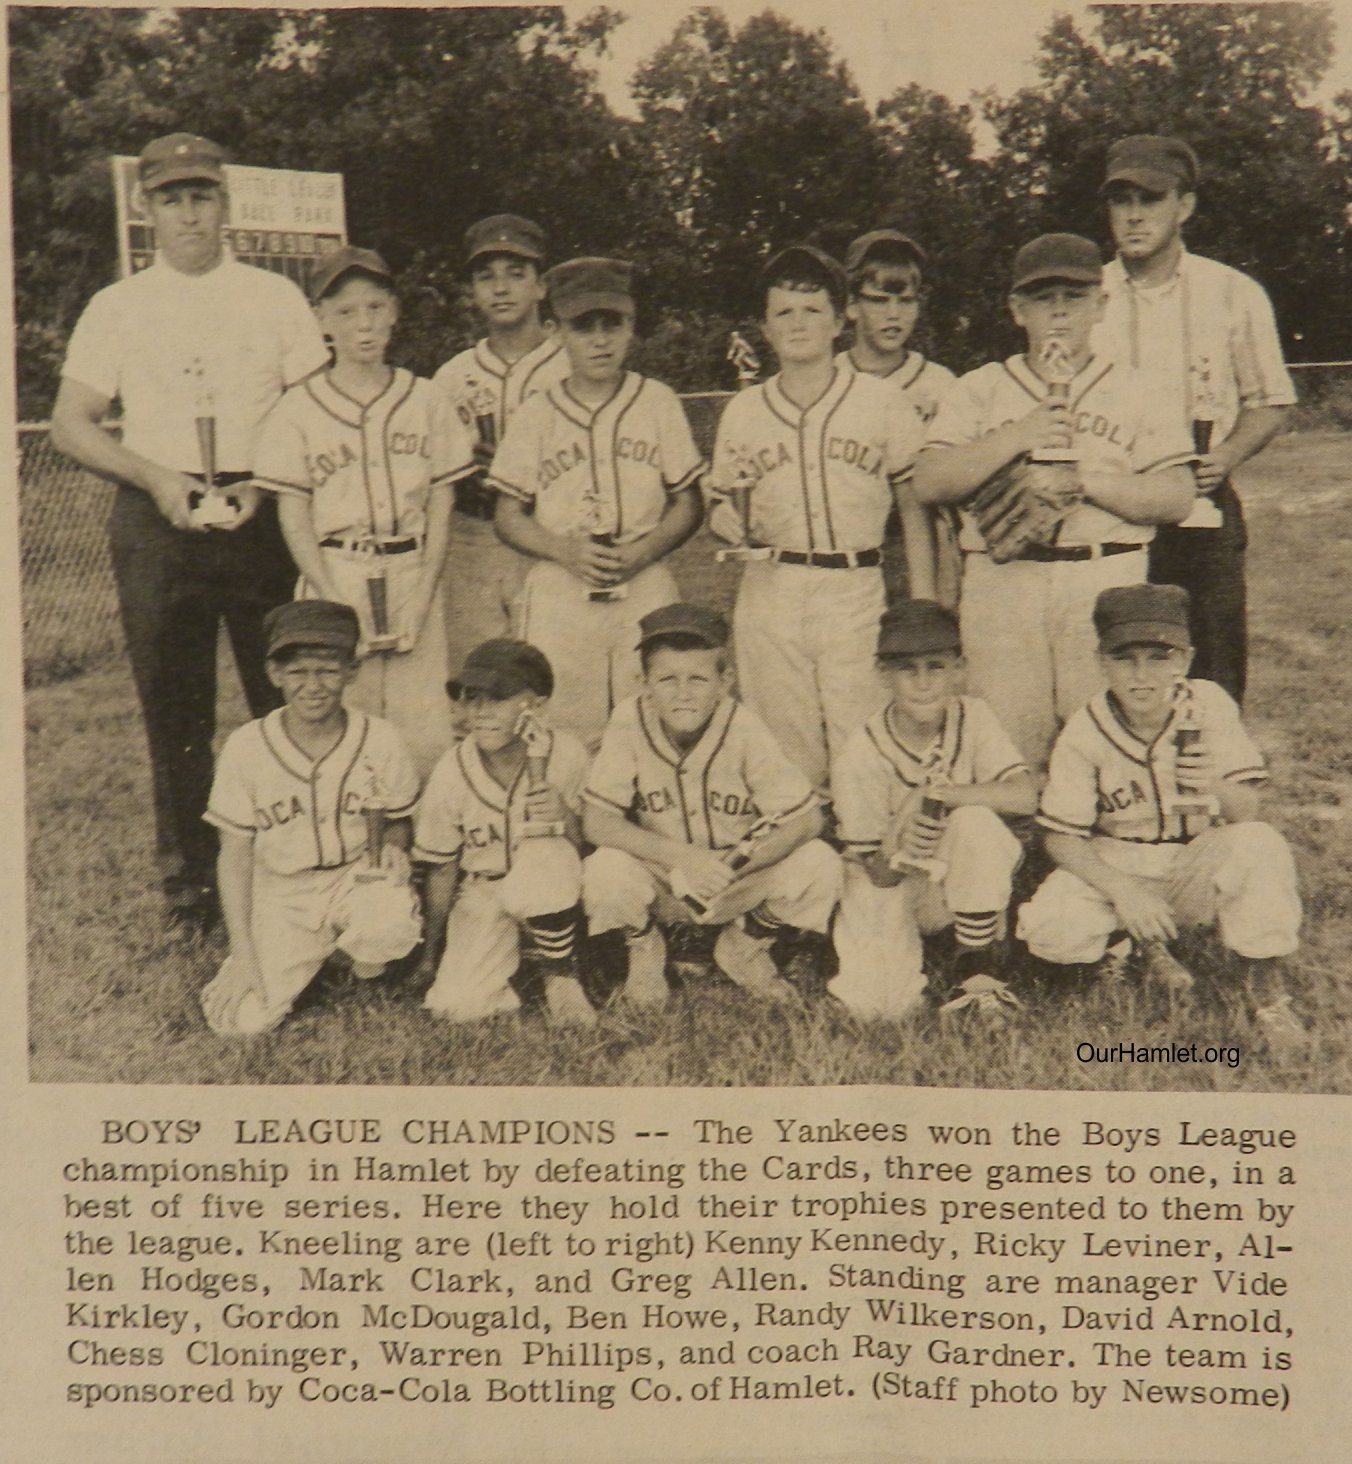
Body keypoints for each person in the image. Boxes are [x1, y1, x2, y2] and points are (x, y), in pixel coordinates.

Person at [51, 133, 330, 931]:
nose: (189, 213)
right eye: (171, 197)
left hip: (261, 512)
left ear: (226, 204)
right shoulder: (119, 306)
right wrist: (157, 478)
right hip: (159, 515)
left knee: (286, 693)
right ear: (148, 209)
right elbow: (72, 424)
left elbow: (316, 409)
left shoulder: (273, 297)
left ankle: (299, 861)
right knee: (175, 710)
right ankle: (192, 889)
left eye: (201, 195)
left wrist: (266, 483)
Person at [913, 233, 1195, 773]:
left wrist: (1083, 480)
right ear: (1018, 310)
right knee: (1007, 745)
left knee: (1108, 744)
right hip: (1004, 581)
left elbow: (1177, 495)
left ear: (1101, 305)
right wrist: (1020, 434)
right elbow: (929, 481)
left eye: (1074, 297)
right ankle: (1018, 852)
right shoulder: (981, 388)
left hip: (1105, 576)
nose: (1059, 313)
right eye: (1044, 299)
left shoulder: (1138, 389)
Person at [1016, 584, 1304, 1051]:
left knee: (1260, 842)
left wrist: (1213, 782)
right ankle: (1124, 947)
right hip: (1118, 861)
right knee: (1052, 930)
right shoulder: (1085, 729)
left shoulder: (1207, 704)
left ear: (1184, 660)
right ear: (1101, 662)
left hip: (1195, 859)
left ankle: (1266, 989)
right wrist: (1123, 891)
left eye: (1159, 657)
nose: (1142, 675)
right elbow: (1061, 838)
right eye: (1125, 658)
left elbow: (1246, 810)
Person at [706, 244, 929, 797]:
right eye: (783, 313)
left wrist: (923, 605)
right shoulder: (744, 408)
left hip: (853, 586)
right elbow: (720, 503)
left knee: (863, 741)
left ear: (839, 320)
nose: (798, 324)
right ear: (764, 326)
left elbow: (914, 506)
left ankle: (868, 866)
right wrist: (723, 521)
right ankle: (806, 870)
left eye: (812, 311)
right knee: (784, 751)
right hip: (771, 588)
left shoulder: (880, 401)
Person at [252, 245, 475, 777]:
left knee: (421, 728)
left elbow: (443, 503)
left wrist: (423, 594)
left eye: (375, 307)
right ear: (321, 320)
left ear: (395, 311)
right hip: (336, 568)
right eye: (346, 312)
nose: (364, 324)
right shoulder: (298, 408)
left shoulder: (425, 399)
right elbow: (294, 515)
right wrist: (330, 598)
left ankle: (422, 849)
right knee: (338, 722)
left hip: (409, 568)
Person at [1095, 135, 1296, 705]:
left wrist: (1226, 455)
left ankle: (1212, 786)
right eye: (1120, 200)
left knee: (1208, 667)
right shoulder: (1089, 294)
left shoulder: (1232, 293)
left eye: (1150, 199)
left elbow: (1272, 399)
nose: (1134, 215)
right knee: (1115, 662)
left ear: (1184, 206)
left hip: (1201, 504)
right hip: (1112, 504)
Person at [489, 257, 704, 748]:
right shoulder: (537, 412)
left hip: (643, 575)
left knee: (658, 712)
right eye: (584, 327)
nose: (600, 340)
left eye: (614, 324)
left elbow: (689, 503)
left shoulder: (657, 401)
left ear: (632, 327)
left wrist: (644, 552)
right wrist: (564, 550)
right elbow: (506, 515)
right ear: (555, 331)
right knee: (560, 720)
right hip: (563, 581)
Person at [582, 604, 842, 1008]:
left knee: (820, 862)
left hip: (733, 880)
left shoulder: (745, 727)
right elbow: (597, 823)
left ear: (726, 682)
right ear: (644, 683)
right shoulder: (628, 719)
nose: (683, 693)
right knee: (604, 868)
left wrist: (730, 864)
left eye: (699, 679)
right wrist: (685, 858)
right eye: (667, 679)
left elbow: (807, 820)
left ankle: (746, 943)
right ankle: (645, 947)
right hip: (663, 878)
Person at [199, 601, 422, 1037]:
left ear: (352, 671)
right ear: (274, 673)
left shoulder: (381, 739)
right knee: (240, 1024)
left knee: (386, 923)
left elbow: (398, 819)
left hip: (356, 879)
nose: (313, 685)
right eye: (298, 672)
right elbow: (234, 857)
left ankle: (360, 962)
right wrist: (244, 956)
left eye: (328, 670)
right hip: (283, 892)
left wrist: (395, 844)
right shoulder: (247, 747)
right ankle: (305, 957)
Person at [830, 600, 1035, 1022]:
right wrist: (896, 841)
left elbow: (1025, 796)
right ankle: (942, 940)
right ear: (882, 673)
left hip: (961, 872)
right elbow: (878, 873)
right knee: (879, 1009)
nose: (923, 683)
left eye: (936, 667)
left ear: (959, 669)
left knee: (975, 820)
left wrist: (937, 793)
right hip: (893, 884)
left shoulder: (974, 716)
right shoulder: (860, 754)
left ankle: (977, 971)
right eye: (907, 669)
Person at [413, 640, 595, 1026]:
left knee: (545, 845)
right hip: (486, 888)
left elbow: (588, 850)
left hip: (556, 883)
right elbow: (442, 869)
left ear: (538, 706)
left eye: (497, 698)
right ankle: (522, 958)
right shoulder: (451, 770)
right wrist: (431, 956)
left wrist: (564, 816)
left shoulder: (568, 754)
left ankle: (560, 975)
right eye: (472, 697)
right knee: (458, 1007)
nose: (480, 712)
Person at [433, 215, 569, 670]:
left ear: (542, 285)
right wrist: (462, 468)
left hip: (551, 537)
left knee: (556, 677)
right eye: (485, 276)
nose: (501, 288)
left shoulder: (571, 365)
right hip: (472, 539)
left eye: (517, 273)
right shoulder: (451, 376)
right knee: (480, 677)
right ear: (472, 291)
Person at [841, 228, 959, 608]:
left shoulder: (941, 383)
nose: (894, 315)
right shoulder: (829, 377)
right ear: (851, 306)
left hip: (927, 544)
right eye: (878, 301)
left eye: (905, 301)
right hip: (850, 544)